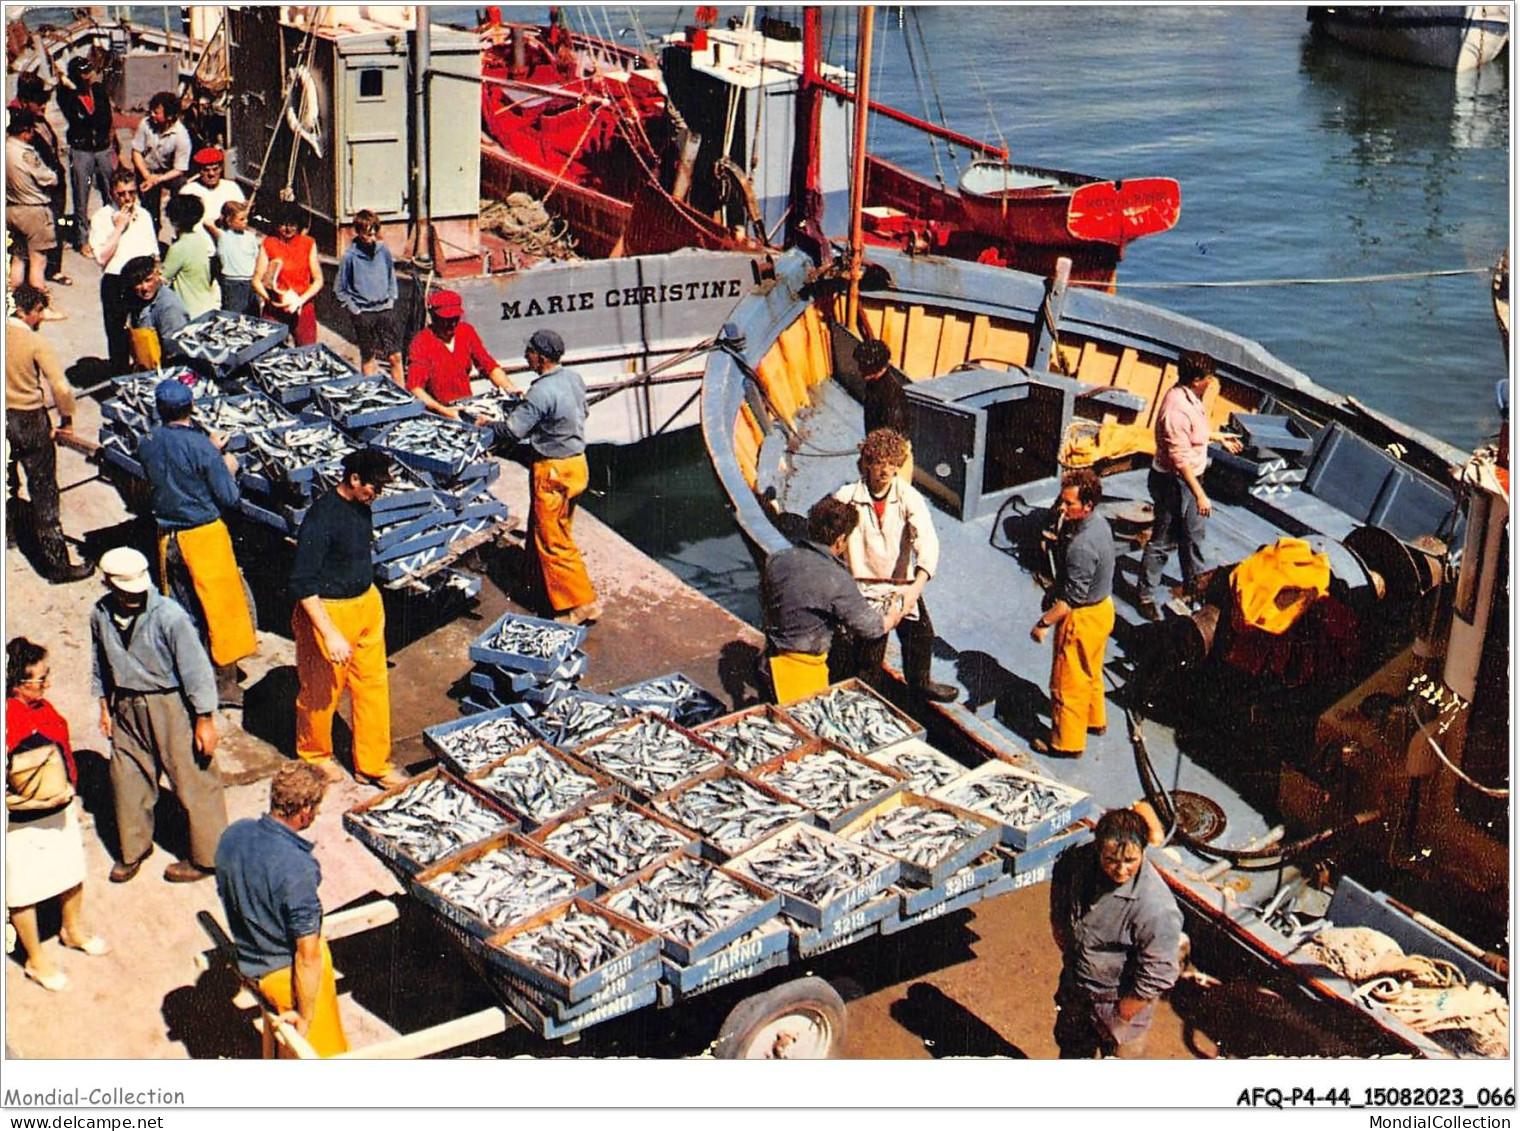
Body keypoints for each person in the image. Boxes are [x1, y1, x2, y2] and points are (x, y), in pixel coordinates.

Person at [91, 546, 227, 884]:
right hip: (125, 705)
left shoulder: (170, 616)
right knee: (127, 777)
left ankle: (208, 857)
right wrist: (104, 706)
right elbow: (99, 663)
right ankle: (133, 849)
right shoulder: (99, 614)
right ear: (109, 584)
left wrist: (205, 719)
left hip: (170, 707)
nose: (132, 598)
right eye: (123, 591)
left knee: (193, 779)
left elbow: (196, 670)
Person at [289, 448, 406, 789]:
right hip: (330, 611)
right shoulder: (322, 518)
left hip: (367, 604)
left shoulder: (361, 506)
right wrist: (329, 634)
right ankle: (315, 756)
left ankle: (373, 765)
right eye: (373, 487)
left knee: (372, 685)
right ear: (354, 480)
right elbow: (301, 582)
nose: (377, 495)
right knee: (321, 693)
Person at [137, 379, 258, 707]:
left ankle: (186, 677)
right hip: (204, 538)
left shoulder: (146, 441)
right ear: (191, 408)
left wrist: (206, 453)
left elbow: (170, 459)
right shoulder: (201, 448)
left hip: (168, 540)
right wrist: (226, 466)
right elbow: (228, 497)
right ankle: (224, 688)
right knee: (222, 615)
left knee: (182, 612)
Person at [214, 762, 348, 1056]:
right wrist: (306, 1016)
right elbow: (307, 956)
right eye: (317, 808)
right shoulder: (297, 869)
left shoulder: (233, 834)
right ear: (305, 812)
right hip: (281, 977)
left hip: (249, 956)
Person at [6, 637, 111, 993]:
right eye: (39, 679)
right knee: (23, 889)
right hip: (19, 818)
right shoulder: (8, 719)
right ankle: (35, 959)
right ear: (16, 684)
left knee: (70, 871)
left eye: (47, 676)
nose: (46, 684)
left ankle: (72, 929)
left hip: (59, 804)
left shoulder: (42, 708)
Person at [476, 329, 598, 625]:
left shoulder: (540, 391)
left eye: (529, 351)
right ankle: (537, 580)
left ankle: (581, 604)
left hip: (552, 470)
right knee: (554, 527)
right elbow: (583, 412)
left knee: (553, 539)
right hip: (578, 464)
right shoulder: (574, 378)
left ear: (541, 357)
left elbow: (515, 430)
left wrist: (486, 424)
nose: (525, 355)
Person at [831, 428, 957, 702]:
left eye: (892, 463)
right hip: (863, 587)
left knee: (922, 636)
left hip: (902, 586)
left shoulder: (908, 497)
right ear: (866, 463)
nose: (885, 470)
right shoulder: (846, 497)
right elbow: (825, 532)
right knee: (871, 651)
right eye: (879, 462)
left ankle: (920, 684)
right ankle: (865, 698)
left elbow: (926, 539)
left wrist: (916, 586)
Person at [1049, 807, 1183, 1058]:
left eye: (1130, 861)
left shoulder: (1156, 908)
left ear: (1143, 851)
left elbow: (1159, 974)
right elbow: (1060, 886)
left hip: (1119, 1004)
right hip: (1076, 991)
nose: (1121, 870)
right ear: (1098, 849)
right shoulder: (1077, 861)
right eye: (1111, 860)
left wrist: (1121, 1015)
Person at [759, 494, 905, 704]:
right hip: (801, 675)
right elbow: (871, 628)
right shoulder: (838, 580)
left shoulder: (777, 559)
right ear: (840, 540)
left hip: (768, 662)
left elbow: (766, 601)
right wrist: (892, 615)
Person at [1137, 349, 1243, 621]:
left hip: (1189, 480)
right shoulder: (1176, 410)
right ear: (1197, 380)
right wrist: (1200, 496)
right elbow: (1179, 459)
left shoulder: (1190, 397)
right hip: (1175, 483)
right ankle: (1145, 596)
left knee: (1193, 537)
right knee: (1163, 539)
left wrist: (1219, 438)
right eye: (1209, 378)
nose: (1212, 382)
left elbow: (1194, 434)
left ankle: (1194, 588)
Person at [6, 285, 92, 582]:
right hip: (28, 419)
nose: (41, 317)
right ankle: (57, 566)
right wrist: (66, 421)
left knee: (7, 481)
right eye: (38, 311)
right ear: (23, 311)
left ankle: (9, 533)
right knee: (43, 492)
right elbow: (61, 387)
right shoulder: (34, 343)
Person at [1030, 467, 1117, 757]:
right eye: (1062, 501)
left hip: (1082, 618)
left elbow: (1071, 599)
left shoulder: (1081, 545)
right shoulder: (1099, 524)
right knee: (1090, 671)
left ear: (1088, 505)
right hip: (1103, 609)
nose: (1062, 508)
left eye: (1070, 504)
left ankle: (1066, 744)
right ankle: (1095, 721)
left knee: (1067, 682)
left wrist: (1043, 623)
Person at [86, 168, 159, 372]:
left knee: (145, 335)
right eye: (121, 193)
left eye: (131, 192)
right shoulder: (101, 217)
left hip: (142, 280)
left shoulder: (143, 215)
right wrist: (119, 228)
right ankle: (119, 376)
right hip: (116, 281)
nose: (127, 198)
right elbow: (101, 257)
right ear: (112, 193)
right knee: (117, 337)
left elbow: (153, 252)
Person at [405, 288, 513, 416]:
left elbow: (489, 366)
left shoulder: (466, 331)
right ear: (433, 316)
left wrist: (509, 388)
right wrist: (443, 410)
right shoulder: (421, 342)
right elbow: (415, 387)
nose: (451, 324)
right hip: (439, 410)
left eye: (455, 318)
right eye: (445, 319)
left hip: (467, 405)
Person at [12, 74, 69, 284]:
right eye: (39, 102)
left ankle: (54, 268)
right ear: (26, 102)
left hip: (55, 183)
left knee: (58, 225)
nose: (44, 106)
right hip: (40, 187)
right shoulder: (19, 126)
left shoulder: (39, 119)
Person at [335, 210, 402, 385]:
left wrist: (391, 300)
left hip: (385, 311)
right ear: (358, 232)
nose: (372, 238)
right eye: (367, 234)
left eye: (374, 233)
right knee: (368, 358)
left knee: (395, 357)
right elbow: (340, 289)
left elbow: (391, 276)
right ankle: (372, 395)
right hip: (363, 314)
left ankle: (404, 395)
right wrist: (355, 310)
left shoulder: (384, 251)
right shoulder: (349, 257)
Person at [56, 56, 116, 255]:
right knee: (81, 195)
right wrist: (68, 85)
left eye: (89, 70)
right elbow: (70, 110)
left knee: (111, 191)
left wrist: (113, 144)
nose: (88, 74)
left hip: (102, 148)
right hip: (81, 150)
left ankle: (113, 231)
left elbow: (108, 118)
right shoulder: (67, 96)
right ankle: (82, 239)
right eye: (83, 72)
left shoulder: (99, 90)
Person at [252, 201, 322, 346]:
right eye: (283, 224)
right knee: (268, 350)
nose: (288, 229)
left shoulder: (308, 243)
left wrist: (300, 301)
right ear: (276, 224)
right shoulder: (268, 243)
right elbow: (256, 281)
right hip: (275, 308)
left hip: (302, 306)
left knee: (307, 351)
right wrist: (271, 301)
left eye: (293, 224)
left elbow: (318, 280)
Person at [6, 108, 59, 292]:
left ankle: (12, 300)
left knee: (18, 257)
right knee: (38, 260)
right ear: (26, 131)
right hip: (34, 210)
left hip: (12, 208)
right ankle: (40, 304)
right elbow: (49, 178)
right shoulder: (26, 153)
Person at [129, 91, 191, 235]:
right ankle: (152, 238)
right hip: (147, 169)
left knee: (181, 188)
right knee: (150, 210)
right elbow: (136, 152)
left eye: (156, 112)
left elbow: (179, 169)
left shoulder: (181, 136)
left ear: (169, 116)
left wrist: (158, 180)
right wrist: (147, 176)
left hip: (168, 173)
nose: (152, 115)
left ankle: (179, 226)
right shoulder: (145, 124)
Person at [855, 337, 913, 483]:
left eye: (863, 366)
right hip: (878, 448)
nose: (859, 370)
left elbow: (895, 441)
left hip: (892, 457)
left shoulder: (892, 396)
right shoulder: (873, 382)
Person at [122, 255, 190, 370]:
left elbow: (177, 352)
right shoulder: (137, 299)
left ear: (157, 275)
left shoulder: (169, 307)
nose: (144, 287)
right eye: (138, 283)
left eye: (148, 280)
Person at [160, 193, 219, 316]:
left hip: (190, 310)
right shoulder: (200, 240)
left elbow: (162, 278)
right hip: (207, 305)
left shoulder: (178, 247)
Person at [176, 146, 244, 242]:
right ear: (199, 171)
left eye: (215, 169)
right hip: (200, 248)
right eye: (206, 170)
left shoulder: (232, 188)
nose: (211, 174)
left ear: (221, 168)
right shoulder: (188, 191)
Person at [216, 200, 259, 317]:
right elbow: (208, 222)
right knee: (232, 316)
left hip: (250, 281)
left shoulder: (250, 237)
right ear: (229, 221)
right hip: (233, 282)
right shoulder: (223, 237)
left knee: (253, 316)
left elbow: (256, 257)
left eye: (246, 218)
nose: (246, 222)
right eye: (241, 219)